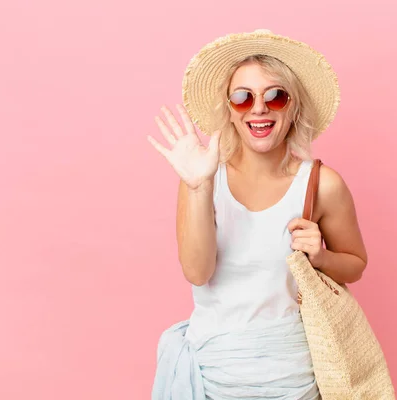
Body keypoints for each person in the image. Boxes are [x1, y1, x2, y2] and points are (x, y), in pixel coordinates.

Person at [147, 29, 368, 400]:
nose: (259, 109)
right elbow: (197, 272)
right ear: (229, 112)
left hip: (292, 377)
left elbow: (356, 265)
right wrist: (199, 187)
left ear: (294, 106)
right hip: (213, 375)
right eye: (242, 97)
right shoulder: (202, 176)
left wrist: (322, 257)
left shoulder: (321, 184)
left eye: (275, 97)